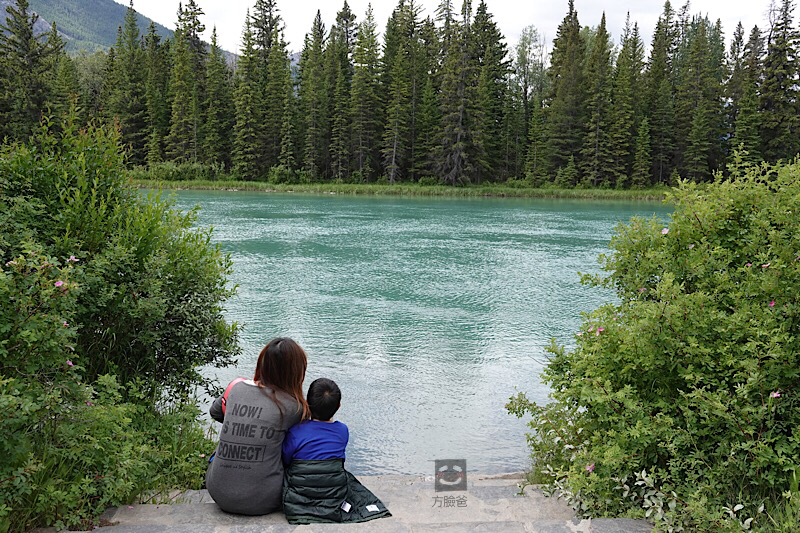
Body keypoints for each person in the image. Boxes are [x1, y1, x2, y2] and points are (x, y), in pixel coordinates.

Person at [206, 337, 310, 515]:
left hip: (218, 492)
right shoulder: (294, 407)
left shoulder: (237, 389)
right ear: (296, 372)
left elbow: (215, 412)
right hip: (263, 500)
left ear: (263, 363)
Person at [282, 378, 391, 524]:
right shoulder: (342, 431)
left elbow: (286, 459)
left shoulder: (296, 431)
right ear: (339, 406)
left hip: (300, 491)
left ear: (307, 403)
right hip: (334, 490)